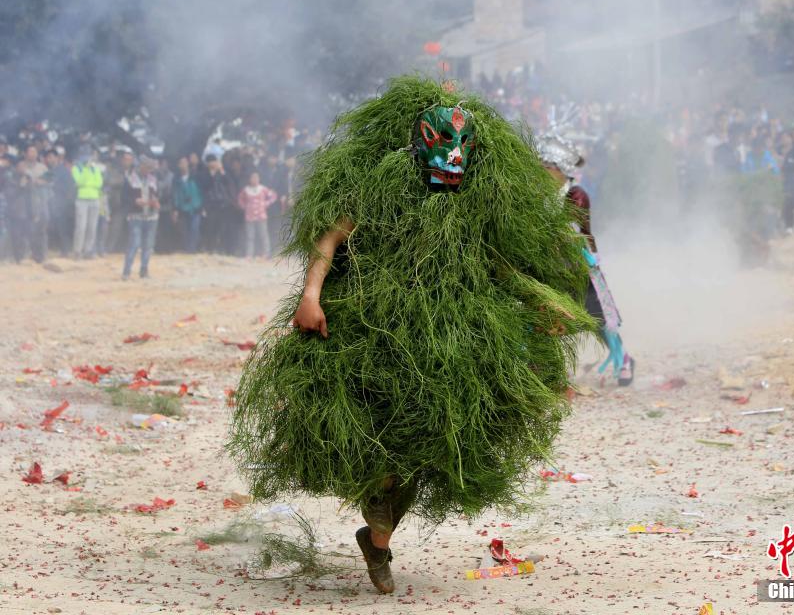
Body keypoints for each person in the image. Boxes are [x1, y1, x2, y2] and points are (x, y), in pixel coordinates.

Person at [227, 77, 593, 595]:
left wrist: (545, 305)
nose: (451, 164)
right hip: (376, 330)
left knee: (433, 444)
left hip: (457, 338)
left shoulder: (480, 200)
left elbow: (501, 266)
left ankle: (376, 539)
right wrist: (311, 295)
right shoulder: (384, 185)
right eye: (442, 148)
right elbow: (331, 237)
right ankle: (377, 531)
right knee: (382, 440)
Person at [538, 134, 634, 386]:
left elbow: (575, 233)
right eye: (541, 168)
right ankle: (545, 367)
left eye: (548, 168)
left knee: (600, 316)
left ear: (561, 171)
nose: (543, 173)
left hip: (580, 264)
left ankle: (623, 358)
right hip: (549, 265)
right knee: (544, 316)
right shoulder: (537, 197)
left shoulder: (576, 195)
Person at [121, 156, 160, 280]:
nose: (149, 171)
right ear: (141, 166)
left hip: (151, 216)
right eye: (147, 168)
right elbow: (124, 198)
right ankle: (126, 271)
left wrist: (155, 201)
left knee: (148, 245)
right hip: (136, 215)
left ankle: (144, 270)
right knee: (135, 243)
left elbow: (156, 195)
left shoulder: (153, 179)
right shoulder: (130, 179)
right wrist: (135, 201)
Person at [19, 145, 51, 263]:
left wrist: (40, 181)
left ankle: (42, 255)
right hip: (26, 202)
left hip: (42, 202)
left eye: (35, 151)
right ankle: (26, 255)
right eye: (30, 151)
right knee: (27, 229)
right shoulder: (21, 165)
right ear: (25, 154)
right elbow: (21, 179)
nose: (33, 154)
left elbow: (49, 180)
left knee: (42, 229)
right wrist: (30, 178)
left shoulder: (42, 167)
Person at [71, 145, 104, 259]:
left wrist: (88, 183)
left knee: (92, 227)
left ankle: (88, 250)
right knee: (81, 226)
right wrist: (86, 169)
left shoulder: (96, 169)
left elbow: (99, 183)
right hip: (81, 200)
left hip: (95, 199)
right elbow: (79, 182)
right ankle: (77, 251)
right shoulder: (77, 168)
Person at [237, 171, 277, 259]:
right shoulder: (246, 190)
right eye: (253, 178)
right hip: (249, 216)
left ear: (259, 179)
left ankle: (266, 254)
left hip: (261, 216)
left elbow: (273, 196)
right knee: (249, 236)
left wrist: (266, 203)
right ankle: (249, 254)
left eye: (256, 178)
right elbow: (240, 199)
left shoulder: (263, 189)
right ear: (249, 179)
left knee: (263, 235)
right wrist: (244, 206)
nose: (254, 180)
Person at [45, 149, 75, 256]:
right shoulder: (49, 170)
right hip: (52, 204)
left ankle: (65, 251)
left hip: (62, 204)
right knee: (54, 228)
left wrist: (67, 202)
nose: (49, 159)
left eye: (52, 157)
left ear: (57, 158)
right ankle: (57, 249)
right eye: (48, 157)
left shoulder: (63, 170)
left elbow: (70, 186)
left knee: (63, 228)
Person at [172, 156, 204, 253]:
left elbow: (201, 192)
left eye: (185, 162)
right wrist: (176, 208)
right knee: (184, 230)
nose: (183, 164)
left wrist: (201, 205)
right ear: (178, 165)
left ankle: (193, 249)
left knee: (195, 229)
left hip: (195, 207)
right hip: (182, 208)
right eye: (181, 162)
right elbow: (175, 195)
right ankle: (187, 249)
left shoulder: (195, 177)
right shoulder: (176, 179)